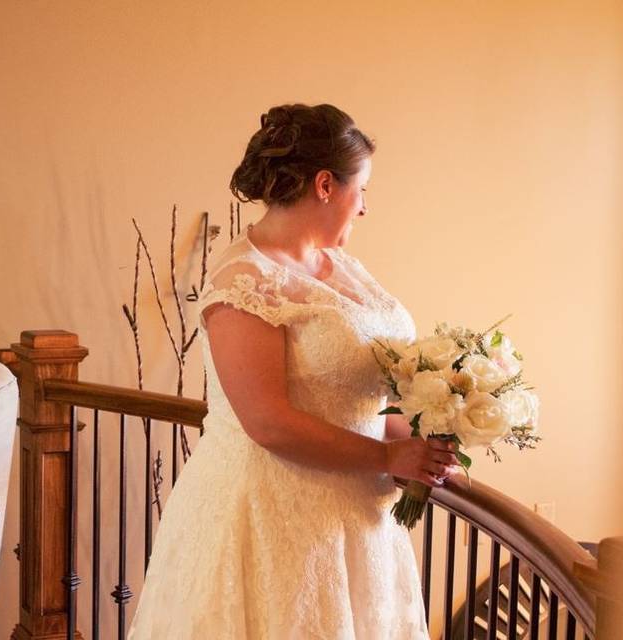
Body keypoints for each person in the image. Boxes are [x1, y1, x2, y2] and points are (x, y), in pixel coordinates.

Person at [126, 103, 461, 639]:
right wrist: (387, 456)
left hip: (356, 518)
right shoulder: (245, 281)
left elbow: (354, 394)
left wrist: (429, 441)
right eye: (364, 190)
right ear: (326, 184)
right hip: (272, 519)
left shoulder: (343, 266)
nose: (366, 208)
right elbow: (269, 422)